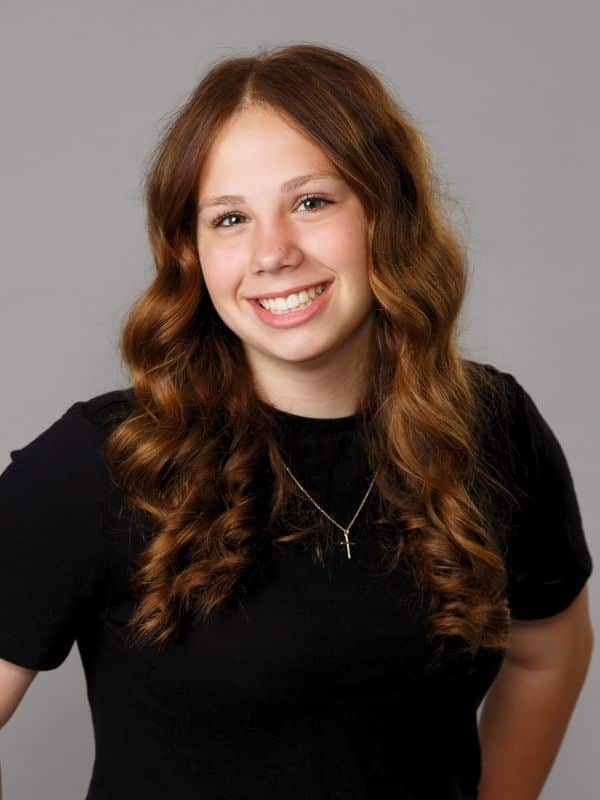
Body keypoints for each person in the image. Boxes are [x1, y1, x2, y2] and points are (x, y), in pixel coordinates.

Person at [0, 42, 594, 800]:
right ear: (192, 252)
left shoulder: (491, 427)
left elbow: (549, 651)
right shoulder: (103, 461)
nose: (272, 252)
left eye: (312, 202)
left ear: (387, 211)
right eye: (229, 218)